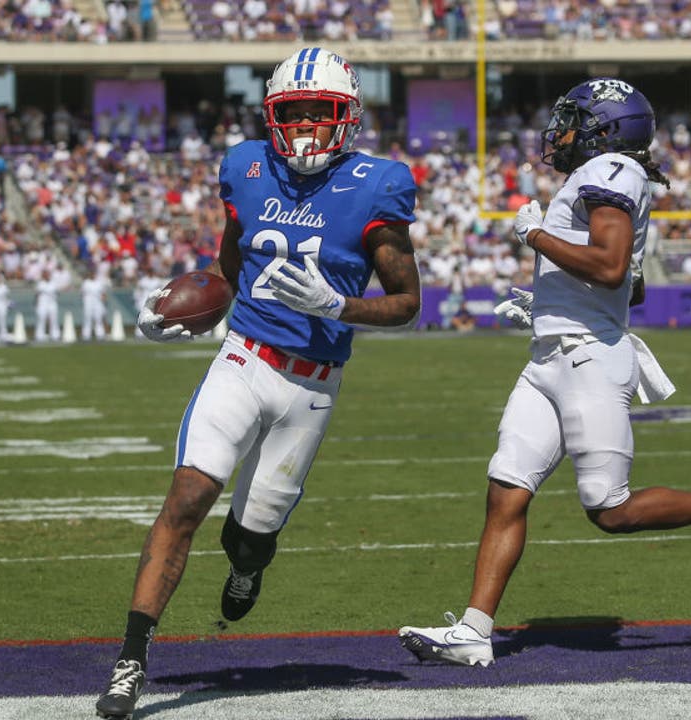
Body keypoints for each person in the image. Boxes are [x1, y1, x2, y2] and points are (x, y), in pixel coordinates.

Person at [396, 78, 691, 668]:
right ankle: (475, 629)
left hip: (590, 361)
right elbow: (629, 281)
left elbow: (609, 265)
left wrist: (535, 236)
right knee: (507, 488)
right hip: (552, 355)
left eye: (573, 121)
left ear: (605, 129)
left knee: (610, 509)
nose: (561, 133)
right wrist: (546, 303)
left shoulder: (613, 171)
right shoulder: (601, 176)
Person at [95, 46, 421, 720]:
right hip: (244, 358)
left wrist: (336, 306)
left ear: (347, 117)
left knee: (252, 535)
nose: (303, 128)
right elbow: (228, 264)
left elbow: (407, 301)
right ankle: (131, 659)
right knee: (185, 499)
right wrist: (184, 313)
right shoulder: (246, 168)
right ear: (271, 116)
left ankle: (247, 562)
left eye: (317, 114)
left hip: (312, 384)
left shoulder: (376, 183)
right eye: (291, 114)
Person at [81, 268, 107, 341]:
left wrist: (103, 299)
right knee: (87, 319)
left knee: (98, 319)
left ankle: (100, 334)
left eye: (93, 273)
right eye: (91, 273)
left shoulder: (99, 283)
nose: (92, 275)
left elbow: (103, 294)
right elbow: (82, 294)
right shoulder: (85, 283)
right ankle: (86, 334)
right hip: (88, 303)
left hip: (97, 303)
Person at [34, 269, 59, 341]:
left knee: (54, 319)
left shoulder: (53, 283)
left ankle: (55, 335)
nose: (47, 276)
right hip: (42, 304)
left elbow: (57, 293)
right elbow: (37, 295)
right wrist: (37, 304)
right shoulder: (40, 284)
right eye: (45, 274)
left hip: (52, 303)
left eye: (48, 274)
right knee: (41, 319)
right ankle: (39, 335)